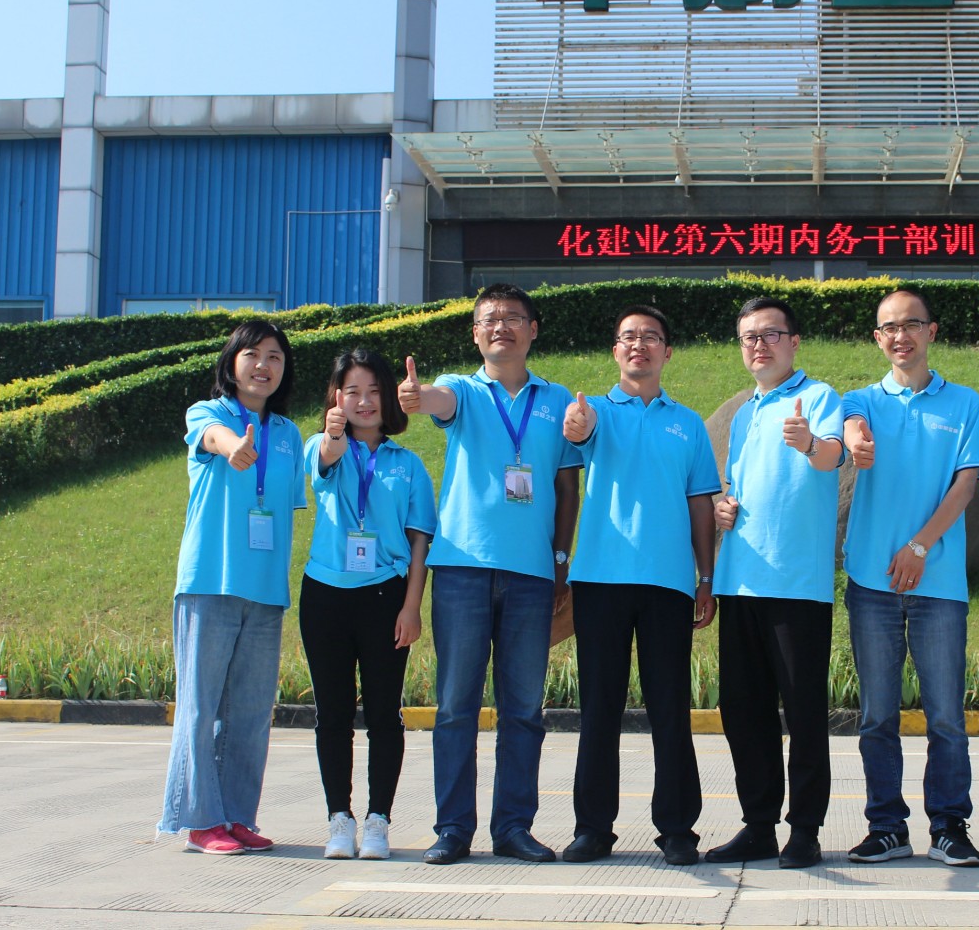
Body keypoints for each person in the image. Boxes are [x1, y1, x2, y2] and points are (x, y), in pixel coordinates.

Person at [398, 284, 582, 865]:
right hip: (462, 571)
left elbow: (566, 488)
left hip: (532, 575)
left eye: (512, 318)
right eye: (489, 319)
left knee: (523, 710)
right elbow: (436, 401)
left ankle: (513, 828)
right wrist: (417, 396)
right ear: (476, 334)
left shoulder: (557, 401)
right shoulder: (461, 389)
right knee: (456, 706)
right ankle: (453, 828)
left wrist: (560, 560)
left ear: (533, 329)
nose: (501, 326)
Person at [558, 305, 720, 866]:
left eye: (650, 337)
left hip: (668, 584)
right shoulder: (594, 411)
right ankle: (592, 829)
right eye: (628, 336)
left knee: (669, 709)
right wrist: (578, 426)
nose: (639, 345)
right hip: (600, 581)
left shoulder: (688, 424)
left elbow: (701, 505)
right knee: (599, 709)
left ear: (667, 352)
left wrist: (706, 577)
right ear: (615, 350)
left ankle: (677, 829)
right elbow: (578, 435)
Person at [840, 288, 979, 866]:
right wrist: (855, 438)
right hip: (871, 584)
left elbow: (966, 484)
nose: (900, 335)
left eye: (911, 324)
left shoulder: (965, 404)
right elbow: (850, 427)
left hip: (939, 585)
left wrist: (920, 545)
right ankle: (887, 828)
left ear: (931, 332)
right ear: (877, 339)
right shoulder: (860, 400)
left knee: (946, 717)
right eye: (889, 327)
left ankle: (950, 827)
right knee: (876, 716)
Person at [158, 320, 306, 855]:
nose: (264, 365)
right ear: (232, 362)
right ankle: (200, 822)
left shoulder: (288, 435)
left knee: (250, 712)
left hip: (265, 590)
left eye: (275, 357)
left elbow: (286, 505)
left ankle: (237, 816)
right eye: (252, 355)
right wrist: (232, 449)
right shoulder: (209, 413)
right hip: (211, 581)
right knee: (201, 708)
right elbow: (213, 439)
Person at [708, 297, 845, 870]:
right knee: (745, 711)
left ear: (793, 342)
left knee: (804, 713)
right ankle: (758, 826)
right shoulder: (745, 413)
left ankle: (805, 831)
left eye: (770, 334)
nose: (758, 345)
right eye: (749, 337)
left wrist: (810, 442)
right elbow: (740, 488)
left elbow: (832, 457)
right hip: (740, 582)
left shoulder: (819, 397)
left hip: (797, 585)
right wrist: (723, 507)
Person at [301, 348, 436, 860]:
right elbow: (325, 458)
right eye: (352, 392)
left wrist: (411, 606)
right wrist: (333, 434)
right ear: (336, 399)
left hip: (385, 596)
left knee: (384, 712)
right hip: (325, 594)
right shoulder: (324, 445)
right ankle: (339, 817)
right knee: (332, 712)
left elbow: (420, 542)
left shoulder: (408, 465)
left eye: (374, 391)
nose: (364, 401)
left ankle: (379, 819)